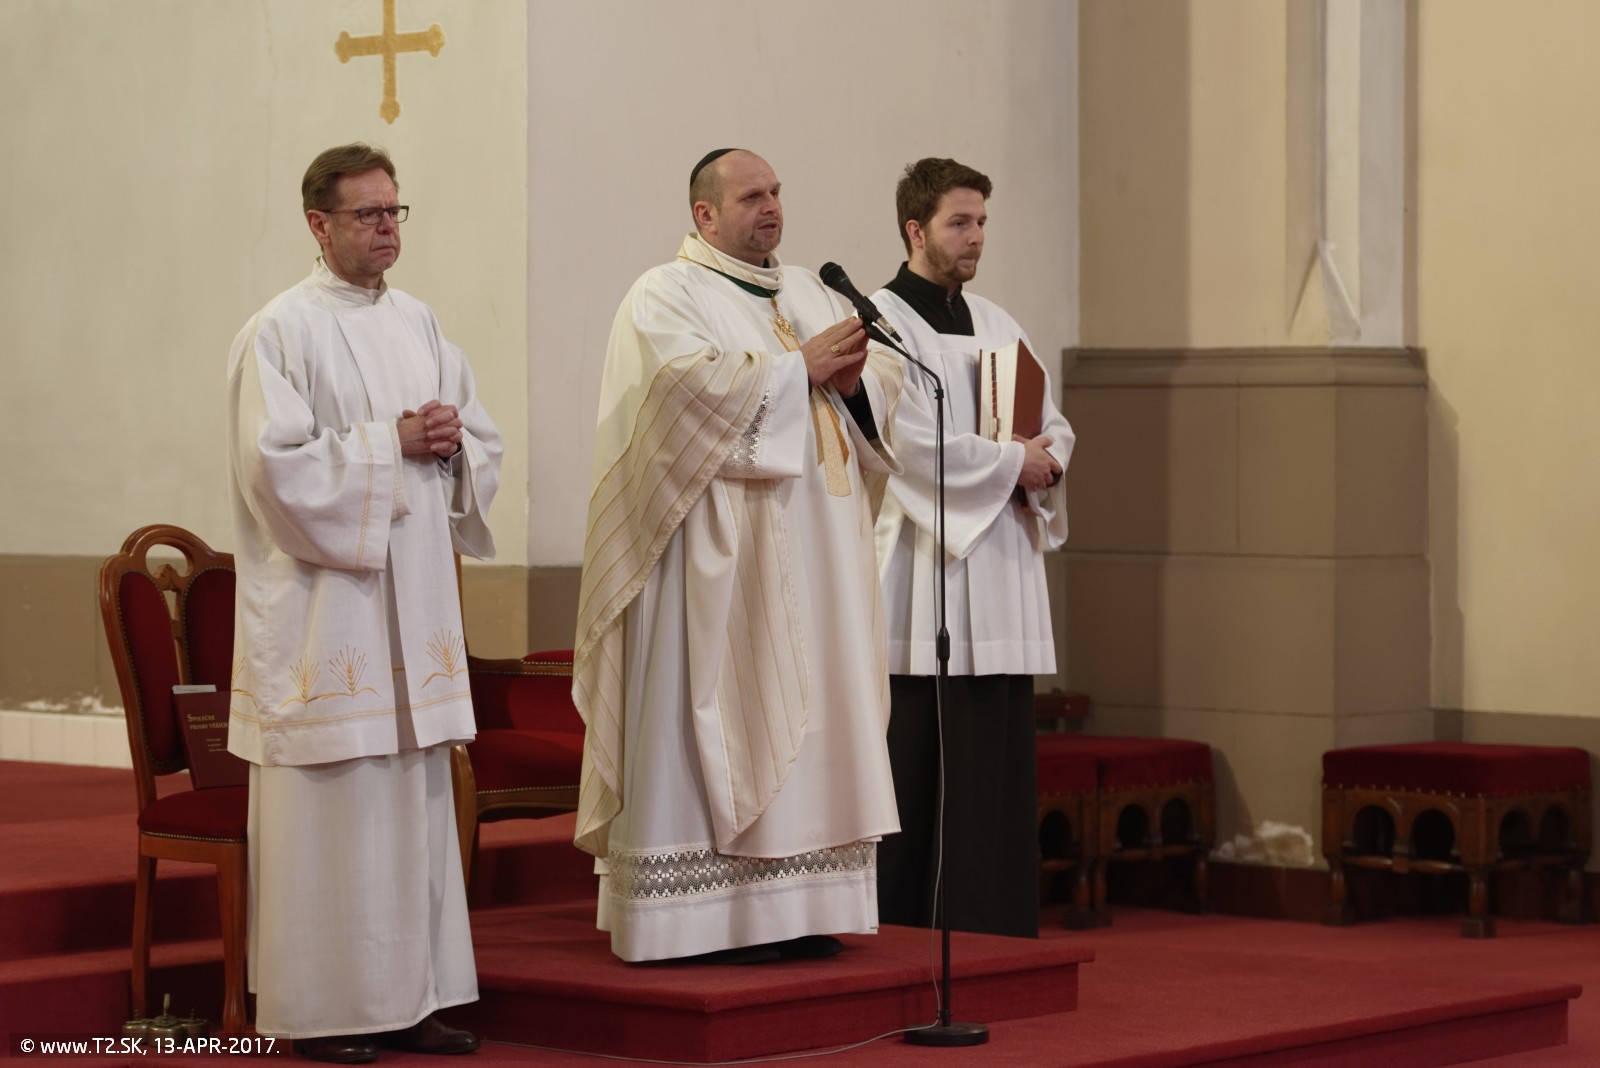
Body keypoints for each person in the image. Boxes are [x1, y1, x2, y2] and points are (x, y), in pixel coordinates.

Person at [572, 148, 905, 963]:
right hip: (719, 564)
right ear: (706, 215)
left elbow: (882, 383)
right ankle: (710, 919)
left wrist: (854, 384)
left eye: (777, 192)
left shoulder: (813, 291)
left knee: (821, 714)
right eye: (752, 195)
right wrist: (797, 371)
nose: (772, 207)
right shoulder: (666, 293)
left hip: (822, 564)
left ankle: (801, 908)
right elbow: (676, 394)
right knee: (723, 711)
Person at [226, 143, 501, 1061]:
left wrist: (456, 445)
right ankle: (323, 1011)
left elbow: (475, 439)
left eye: (394, 211)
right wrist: (393, 443)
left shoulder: (421, 323)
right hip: (327, 615)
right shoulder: (279, 331)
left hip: (411, 607)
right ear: (319, 224)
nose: (387, 228)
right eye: (367, 214)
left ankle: (413, 999)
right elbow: (274, 469)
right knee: (335, 818)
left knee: (410, 813)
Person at [871, 158, 1073, 939]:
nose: (976, 237)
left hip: (1003, 571)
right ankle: (913, 928)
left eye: (982, 222)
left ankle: (995, 925)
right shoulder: (882, 325)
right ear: (915, 230)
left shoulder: (997, 323)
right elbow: (905, 446)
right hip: (927, 571)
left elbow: (1051, 425)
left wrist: (1045, 461)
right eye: (959, 222)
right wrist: (1011, 465)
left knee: (995, 762)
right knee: (921, 757)